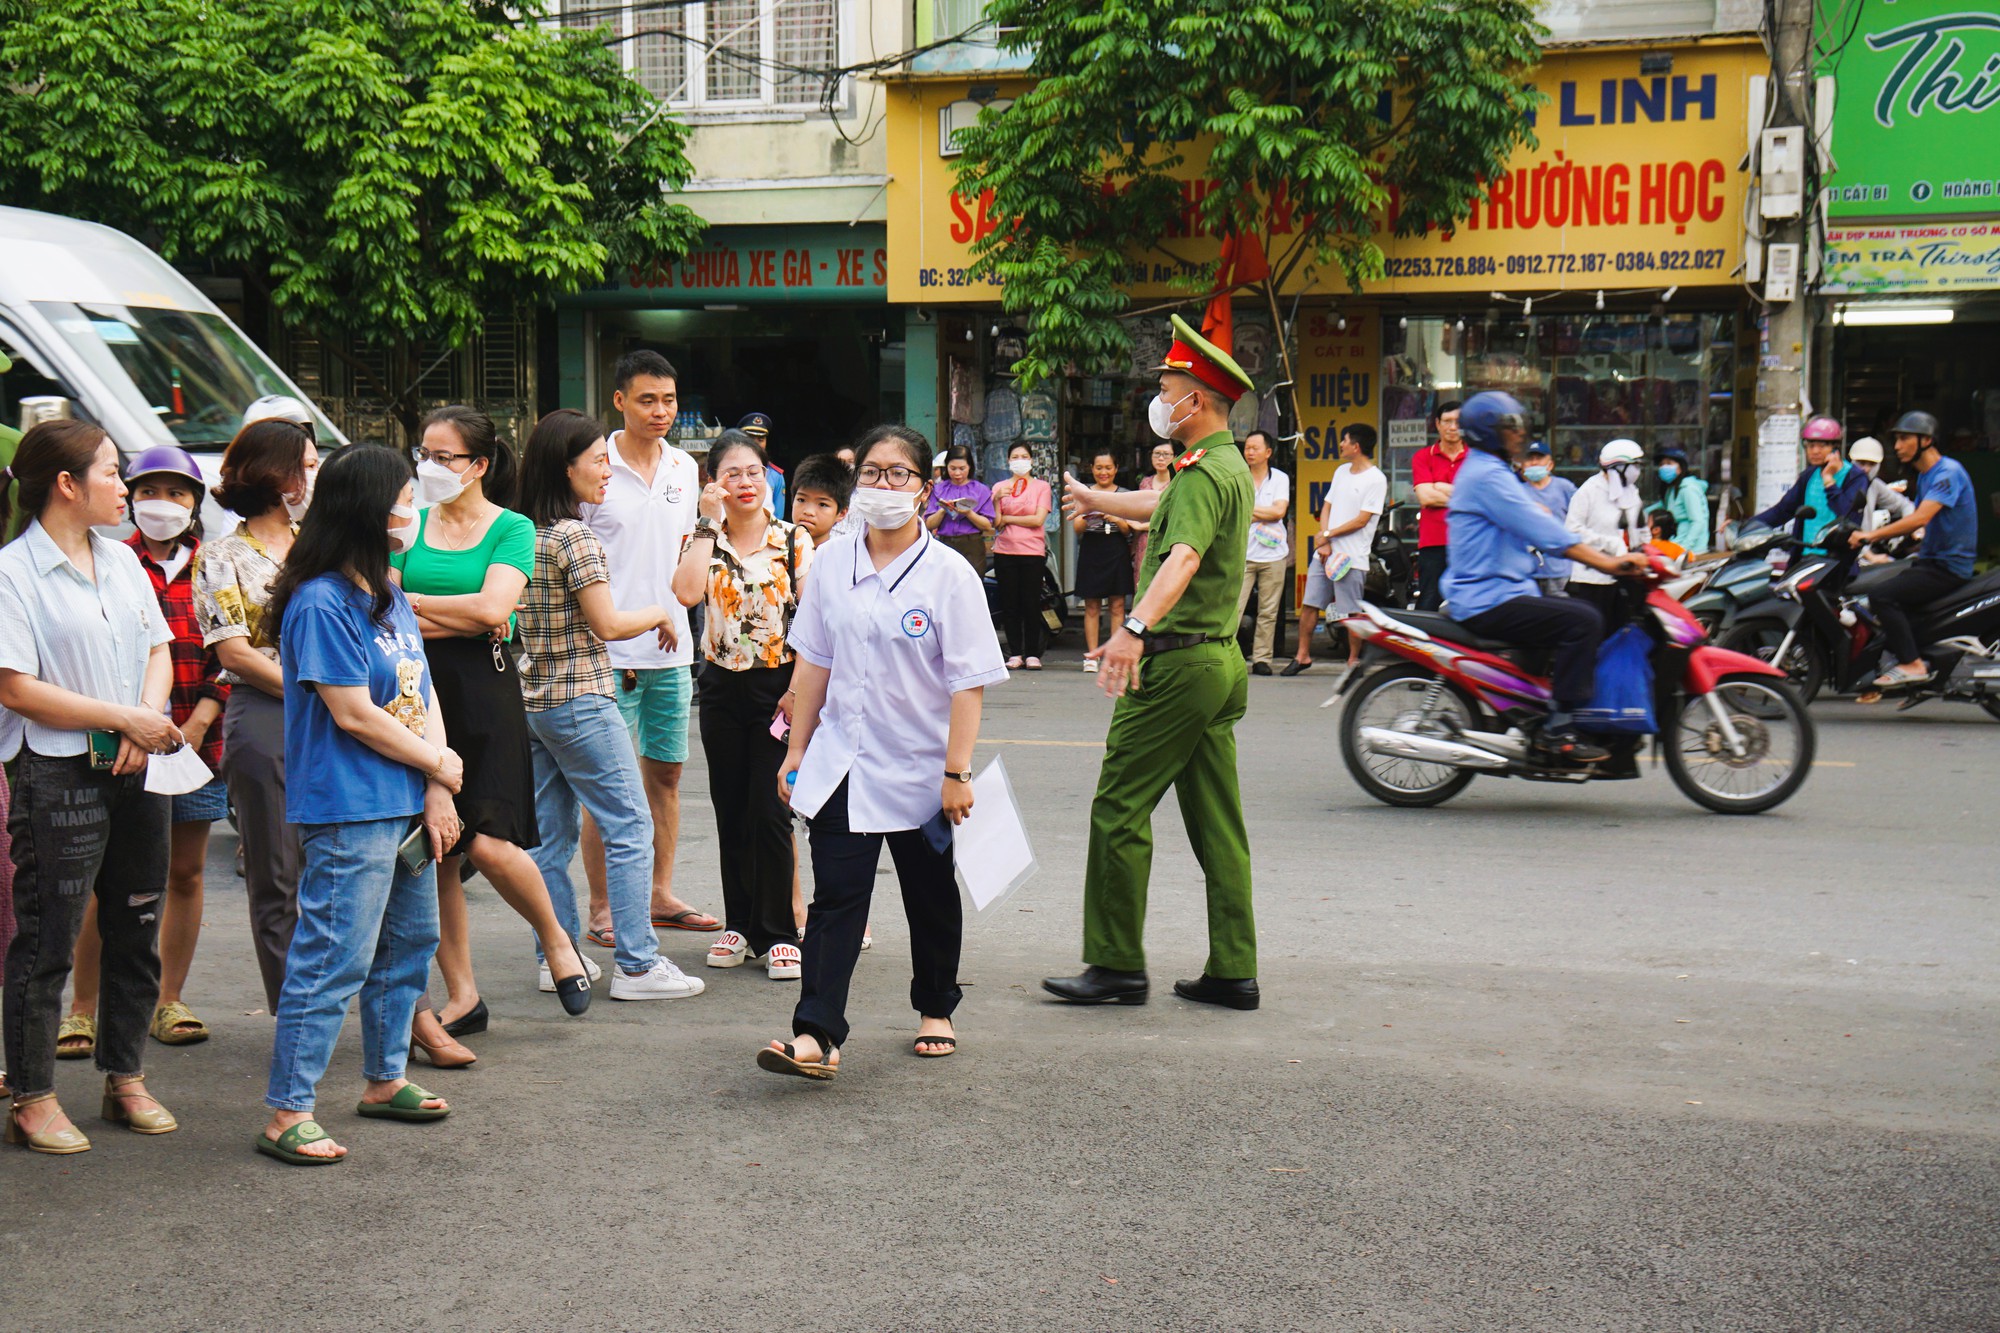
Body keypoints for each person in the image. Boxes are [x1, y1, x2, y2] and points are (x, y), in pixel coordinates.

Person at [759, 424, 1007, 1079]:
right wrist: (796, 752)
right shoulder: (833, 563)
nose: (884, 484)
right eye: (872, 471)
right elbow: (813, 661)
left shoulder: (951, 576)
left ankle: (935, 1005)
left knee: (929, 892)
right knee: (836, 894)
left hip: (924, 765)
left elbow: (967, 683)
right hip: (843, 756)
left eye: (899, 473)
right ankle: (816, 1032)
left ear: (924, 489)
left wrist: (957, 770)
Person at [1042, 314, 1259, 1012]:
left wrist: (1133, 625)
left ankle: (1114, 963)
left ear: (1196, 401)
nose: (1160, 399)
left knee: (1119, 807)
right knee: (1218, 822)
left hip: (1176, 666)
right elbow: (1159, 505)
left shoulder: (1200, 474)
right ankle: (1233, 967)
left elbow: (1183, 555)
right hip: (1218, 665)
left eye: (1167, 387)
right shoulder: (1224, 465)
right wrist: (1096, 497)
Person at [256, 445, 461, 1165]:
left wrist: (438, 782)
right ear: (370, 508)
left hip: (405, 798)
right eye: (406, 497)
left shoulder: (388, 591)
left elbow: (419, 690)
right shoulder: (319, 600)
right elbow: (353, 712)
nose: (414, 510)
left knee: (409, 943)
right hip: (348, 805)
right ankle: (288, 1109)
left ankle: (384, 1078)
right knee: (333, 956)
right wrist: (438, 762)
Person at [0, 420, 183, 1154]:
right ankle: (34, 1092)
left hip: (139, 768)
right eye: (112, 472)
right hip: (57, 768)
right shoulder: (14, 572)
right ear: (66, 484)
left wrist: (143, 721)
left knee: (136, 923)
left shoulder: (123, 562)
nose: (125, 488)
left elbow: (158, 649)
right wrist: (125, 719)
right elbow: (16, 687)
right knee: (48, 933)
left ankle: (125, 1074)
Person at [394, 406, 593, 1039]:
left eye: (444, 457)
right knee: (439, 849)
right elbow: (386, 614)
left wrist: (417, 604)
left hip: (485, 688)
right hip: (416, 691)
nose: (429, 467)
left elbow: (494, 609)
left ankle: (558, 940)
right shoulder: (408, 524)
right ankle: (463, 995)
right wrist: (458, 613)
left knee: (487, 838)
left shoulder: (512, 528)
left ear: (479, 465)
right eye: (423, 454)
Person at [515, 410, 703, 1003]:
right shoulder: (575, 535)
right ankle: (639, 965)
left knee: (549, 837)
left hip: (535, 699)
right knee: (630, 825)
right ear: (563, 467)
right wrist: (659, 614)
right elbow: (609, 623)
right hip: (581, 696)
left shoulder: (523, 532)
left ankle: (559, 956)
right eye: (597, 461)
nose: (607, 471)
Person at [64, 447, 229, 1056]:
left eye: (178, 493)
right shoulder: (107, 560)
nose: (164, 503)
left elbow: (231, 652)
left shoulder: (212, 566)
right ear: (130, 497)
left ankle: (169, 1000)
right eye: (150, 490)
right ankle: (82, 1009)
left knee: (183, 873)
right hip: (113, 741)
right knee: (102, 879)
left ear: (195, 503)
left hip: (195, 746)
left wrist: (202, 718)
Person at [577, 351, 719, 937]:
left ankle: (659, 892)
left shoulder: (686, 469)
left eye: (669, 400)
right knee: (606, 786)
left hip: (671, 650)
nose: (662, 412)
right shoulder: (592, 465)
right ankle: (603, 906)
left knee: (665, 778)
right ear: (619, 401)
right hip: (606, 650)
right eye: (647, 400)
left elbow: (688, 554)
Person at [1439, 393, 1651, 767]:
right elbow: (1549, 533)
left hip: (1504, 590)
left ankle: (1531, 721)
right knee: (1583, 620)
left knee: (1562, 621)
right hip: (1487, 597)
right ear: (1490, 434)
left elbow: (1534, 515)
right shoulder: (1488, 475)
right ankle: (1559, 730)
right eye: (1510, 430)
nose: (1518, 437)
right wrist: (1609, 563)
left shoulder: (1496, 471)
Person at [674, 431, 812, 981]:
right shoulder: (703, 539)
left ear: (768, 478)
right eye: (731, 474)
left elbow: (816, 623)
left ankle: (779, 931)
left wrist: (800, 687)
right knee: (730, 806)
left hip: (779, 685)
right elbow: (686, 593)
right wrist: (707, 523)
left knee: (771, 806)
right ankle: (740, 925)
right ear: (714, 484)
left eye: (752, 472)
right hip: (720, 686)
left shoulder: (795, 539)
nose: (744, 483)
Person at [192, 417, 317, 1016]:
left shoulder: (320, 543)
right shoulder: (219, 558)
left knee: (349, 867)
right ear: (277, 475)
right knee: (277, 872)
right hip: (267, 713)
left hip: (338, 716)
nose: (314, 477)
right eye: (308, 466)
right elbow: (234, 652)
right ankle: (296, 1013)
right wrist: (316, 693)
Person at [1847, 411, 1980, 689]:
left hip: (1947, 567)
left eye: (1904, 439)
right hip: (1930, 559)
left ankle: (1913, 663)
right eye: (1895, 439)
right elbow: (1920, 523)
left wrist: (1870, 535)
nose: (1896, 446)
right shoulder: (1925, 477)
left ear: (1926, 440)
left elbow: (1920, 518)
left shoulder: (1947, 473)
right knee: (1885, 580)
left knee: (1881, 596)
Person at [1288, 423, 1387, 674]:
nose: (1340, 444)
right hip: (1325, 554)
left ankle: (1353, 661)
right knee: (1310, 604)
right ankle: (1302, 655)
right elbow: (1327, 506)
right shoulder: (1342, 471)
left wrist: (1328, 534)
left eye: (1344, 440)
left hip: (1352, 557)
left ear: (1356, 446)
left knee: (1351, 610)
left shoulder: (1376, 479)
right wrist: (1325, 540)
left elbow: (1362, 520)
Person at [1564, 438, 1649, 622]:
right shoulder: (1589, 491)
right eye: (1633, 465)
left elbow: (1641, 528)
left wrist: (1646, 550)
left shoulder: (1632, 492)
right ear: (1617, 467)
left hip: (1628, 575)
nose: (1637, 471)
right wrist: (1610, 544)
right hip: (1593, 578)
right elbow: (1572, 529)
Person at [1754, 416, 1866, 552]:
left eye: (1822, 445)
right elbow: (1782, 510)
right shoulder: (1809, 475)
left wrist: (1829, 480)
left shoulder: (1854, 477)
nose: (1815, 451)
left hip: (1835, 561)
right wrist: (1748, 527)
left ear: (1835, 447)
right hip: (1806, 557)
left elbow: (1847, 515)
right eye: (1810, 445)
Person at [1072, 447, 1137, 673]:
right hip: (1092, 547)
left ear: (1116, 469)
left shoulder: (1125, 493)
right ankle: (1091, 655)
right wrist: (1091, 512)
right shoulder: (1085, 492)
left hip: (1116, 548)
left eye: (1108, 467)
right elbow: (1077, 528)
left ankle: (1113, 655)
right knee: (1091, 605)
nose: (1103, 472)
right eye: (1099, 467)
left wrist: (1113, 515)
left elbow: (1129, 529)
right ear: (1091, 469)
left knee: (1118, 605)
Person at [1232, 430, 1291, 675]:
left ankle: (1262, 659)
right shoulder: (1237, 477)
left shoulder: (1280, 478)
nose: (1250, 452)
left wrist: (1249, 511)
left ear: (1268, 452)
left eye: (1255, 448)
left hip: (1274, 554)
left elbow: (1279, 512)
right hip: (1241, 552)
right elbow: (1232, 510)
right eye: (1247, 448)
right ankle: (1227, 656)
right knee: (1233, 608)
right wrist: (1261, 512)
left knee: (1269, 610)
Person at [992, 441, 1053, 670]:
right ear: (1008, 461)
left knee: (1031, 603)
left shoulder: (1041, 487)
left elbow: (1037, 519)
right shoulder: (999, 486)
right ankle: (1015, 652)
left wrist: (1009, 519)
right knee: (1010, 604)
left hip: (1032, 552)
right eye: (1015, 456)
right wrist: (997, 501)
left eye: (1024, 456)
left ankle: (1033, 653)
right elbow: (996, 523)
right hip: (1005, 551)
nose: (1020, 460)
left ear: (1031, 460)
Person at [1411, 400, 1465, 610]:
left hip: (1469, 542)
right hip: (1434, 543)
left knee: (1469, 601)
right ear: (1437, 424)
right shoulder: (1423, 456)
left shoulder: (1476, 458)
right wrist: (1464, 496)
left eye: (1458, 422)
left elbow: (1482, 499)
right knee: (1429, 601)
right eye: (1447, 421)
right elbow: (1426, 498)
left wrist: (1441, 486)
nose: (1453, 427)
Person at [924, 443, 997, 572]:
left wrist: (969, 513)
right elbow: (929, 524)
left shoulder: (981, 490)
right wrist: (943, 509)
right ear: (946, 467)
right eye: (953, 468)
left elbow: (987, 525)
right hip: (945, 543)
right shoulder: (938, 489)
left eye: (962, 468)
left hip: (972, 544)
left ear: (970, 467)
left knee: (972, 586)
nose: (957, 473)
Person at [1520, 440, 1577, 597]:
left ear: (1550, 464)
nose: (1534, 463)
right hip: (1528, 570)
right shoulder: (1517, 491)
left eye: (1539, 459)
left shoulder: (1564, 487)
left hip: (1560, 568)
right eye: (1530, 459)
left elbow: (1579, 520)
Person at [1847, 437, 1916, 532]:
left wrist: (1910, 528)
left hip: (1863, 544)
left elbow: (1905, 505)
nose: (1866, 469)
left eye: (1871, 464)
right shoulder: (1838, 481)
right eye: (1861, 463)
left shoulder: (1875, 485)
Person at [1652, 447, 1710, 554]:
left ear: (1680, 468)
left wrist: (1684, 548)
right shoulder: (1672, 488)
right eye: (1661, 464)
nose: (1664, 467)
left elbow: (1698, 521)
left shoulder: (1688, 489)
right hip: (1678, 543)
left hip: (1692, 550)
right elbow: (1664, 505)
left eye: (1669, 463)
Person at [790, 453, 853, 550]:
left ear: (841, 513)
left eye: (822, 504)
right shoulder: (772, 551)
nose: (809, 512)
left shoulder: (843, 561)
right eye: (801, 500)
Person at [1132, 439, 1173, 582]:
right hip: (1144, 542)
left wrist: (1141, 526)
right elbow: (1138, 513)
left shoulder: (1176, 484)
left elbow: (1171, 518)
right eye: (1157, 454)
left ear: (1174, 457)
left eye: (1166, 454)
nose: (1161, 458)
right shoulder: (1145, 482)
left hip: (1165, 540)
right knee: (1141, 583)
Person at [737, 412, 785, 518]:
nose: (756, 444)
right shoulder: (730, 472)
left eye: (761, 440)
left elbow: (778, 517)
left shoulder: (775, 475)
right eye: (750, 438)